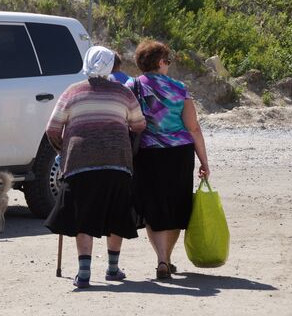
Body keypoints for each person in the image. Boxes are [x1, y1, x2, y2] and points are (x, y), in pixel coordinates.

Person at [44, 46, 146, 288]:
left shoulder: (72, 92)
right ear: (111, 66)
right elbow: (139, 124)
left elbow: (52, 129)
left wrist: (64, 150)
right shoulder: (123, 93)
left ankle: (84, 272)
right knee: (116, 214)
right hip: (117, 161)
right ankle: (112, 269)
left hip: (80, 162)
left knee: (83, 216)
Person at [126, 39, 210, 279]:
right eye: (168, 61)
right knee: (174, 206)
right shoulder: (179, 88)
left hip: (146, 153)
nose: (169, 66)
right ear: (161, 61)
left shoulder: (132, 86)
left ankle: (162, 258)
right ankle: (166, 259)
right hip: (178, 154)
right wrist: (204, 162)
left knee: (153, 206)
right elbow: (193, 128)